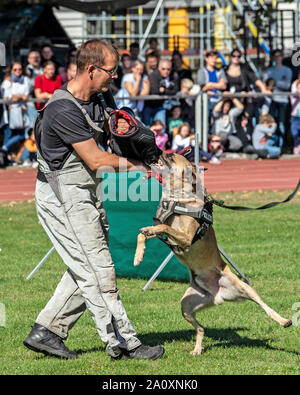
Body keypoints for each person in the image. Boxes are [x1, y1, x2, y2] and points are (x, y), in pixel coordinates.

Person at [23, 38, 165, 361]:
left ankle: (47, 330)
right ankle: (124, 343)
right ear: (90, 69)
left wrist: (141, 145)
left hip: (87, 191)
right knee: (98, 269)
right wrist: (137, 166)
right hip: (61, 197)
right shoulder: (61, 108)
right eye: (110, 72)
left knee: (86, 266)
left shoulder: (100, 96)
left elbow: (116, 135)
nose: (113, 78)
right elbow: (96, 159)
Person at [263, 49, 292, 147]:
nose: (277, 58)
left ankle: (281, 145)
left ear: (282, 56)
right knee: (271, 123)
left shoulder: (287, 70)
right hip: (271, 102)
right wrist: (280, 83)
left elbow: (287, 85)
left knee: (281, 124)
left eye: (279, 55)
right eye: (275, 56)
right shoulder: (268, 71)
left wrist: (274, 83)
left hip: (283, 101)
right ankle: (272, 144)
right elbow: (266, 85)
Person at [1, 61, 31, 155]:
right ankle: (5, 157)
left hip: (22, 111)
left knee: (22, 134)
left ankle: (3, 149)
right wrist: (17, 97)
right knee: (8, 133)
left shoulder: (26, 80)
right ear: (11, 70)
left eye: (20, 69)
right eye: (15, 69)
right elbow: (6, 97)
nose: (18, 71)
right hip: (9, 111)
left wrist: (18, 96)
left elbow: (26, 95)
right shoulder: (6, 82)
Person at [143, 59, 180, 127]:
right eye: (163, 69)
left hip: (161, 106)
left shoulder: (174, 75)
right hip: (149, 106)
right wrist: (168, 90)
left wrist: (164, 91)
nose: (166, 71)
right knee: (147, 128)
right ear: (159, 68)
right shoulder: (154, 75)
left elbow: (175, 90)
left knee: (161, 127)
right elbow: (155, 91)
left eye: (168, 69)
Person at [197, 50, 227, 121]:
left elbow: (224, 86)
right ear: (206, 59)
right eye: (211, 57)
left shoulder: (220, 71)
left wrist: (210, 84)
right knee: (205, 122)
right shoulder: (202, 71)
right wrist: (218, 84)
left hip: (218, 100)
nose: (214, 60)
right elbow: (203, 88)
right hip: (206, 101)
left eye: (215, 58)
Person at [290, 79, 300, 154]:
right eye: (298, 88)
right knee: (294, 133)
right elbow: (293, 85)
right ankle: (297, 146)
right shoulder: (294, 95)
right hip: (295, 116)